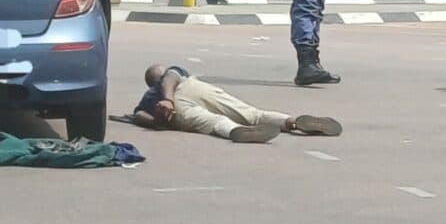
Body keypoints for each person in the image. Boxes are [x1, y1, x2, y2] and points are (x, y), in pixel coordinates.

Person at [133, 65, 343, 143]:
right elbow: (171, 74)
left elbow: (140, 116)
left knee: (213, 122)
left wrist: (161, 114)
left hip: (178, 104)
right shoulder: (174, 74)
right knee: (253, 114)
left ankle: (237, 131)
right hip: (197, 87)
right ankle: (292, 121)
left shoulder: (152, 95)